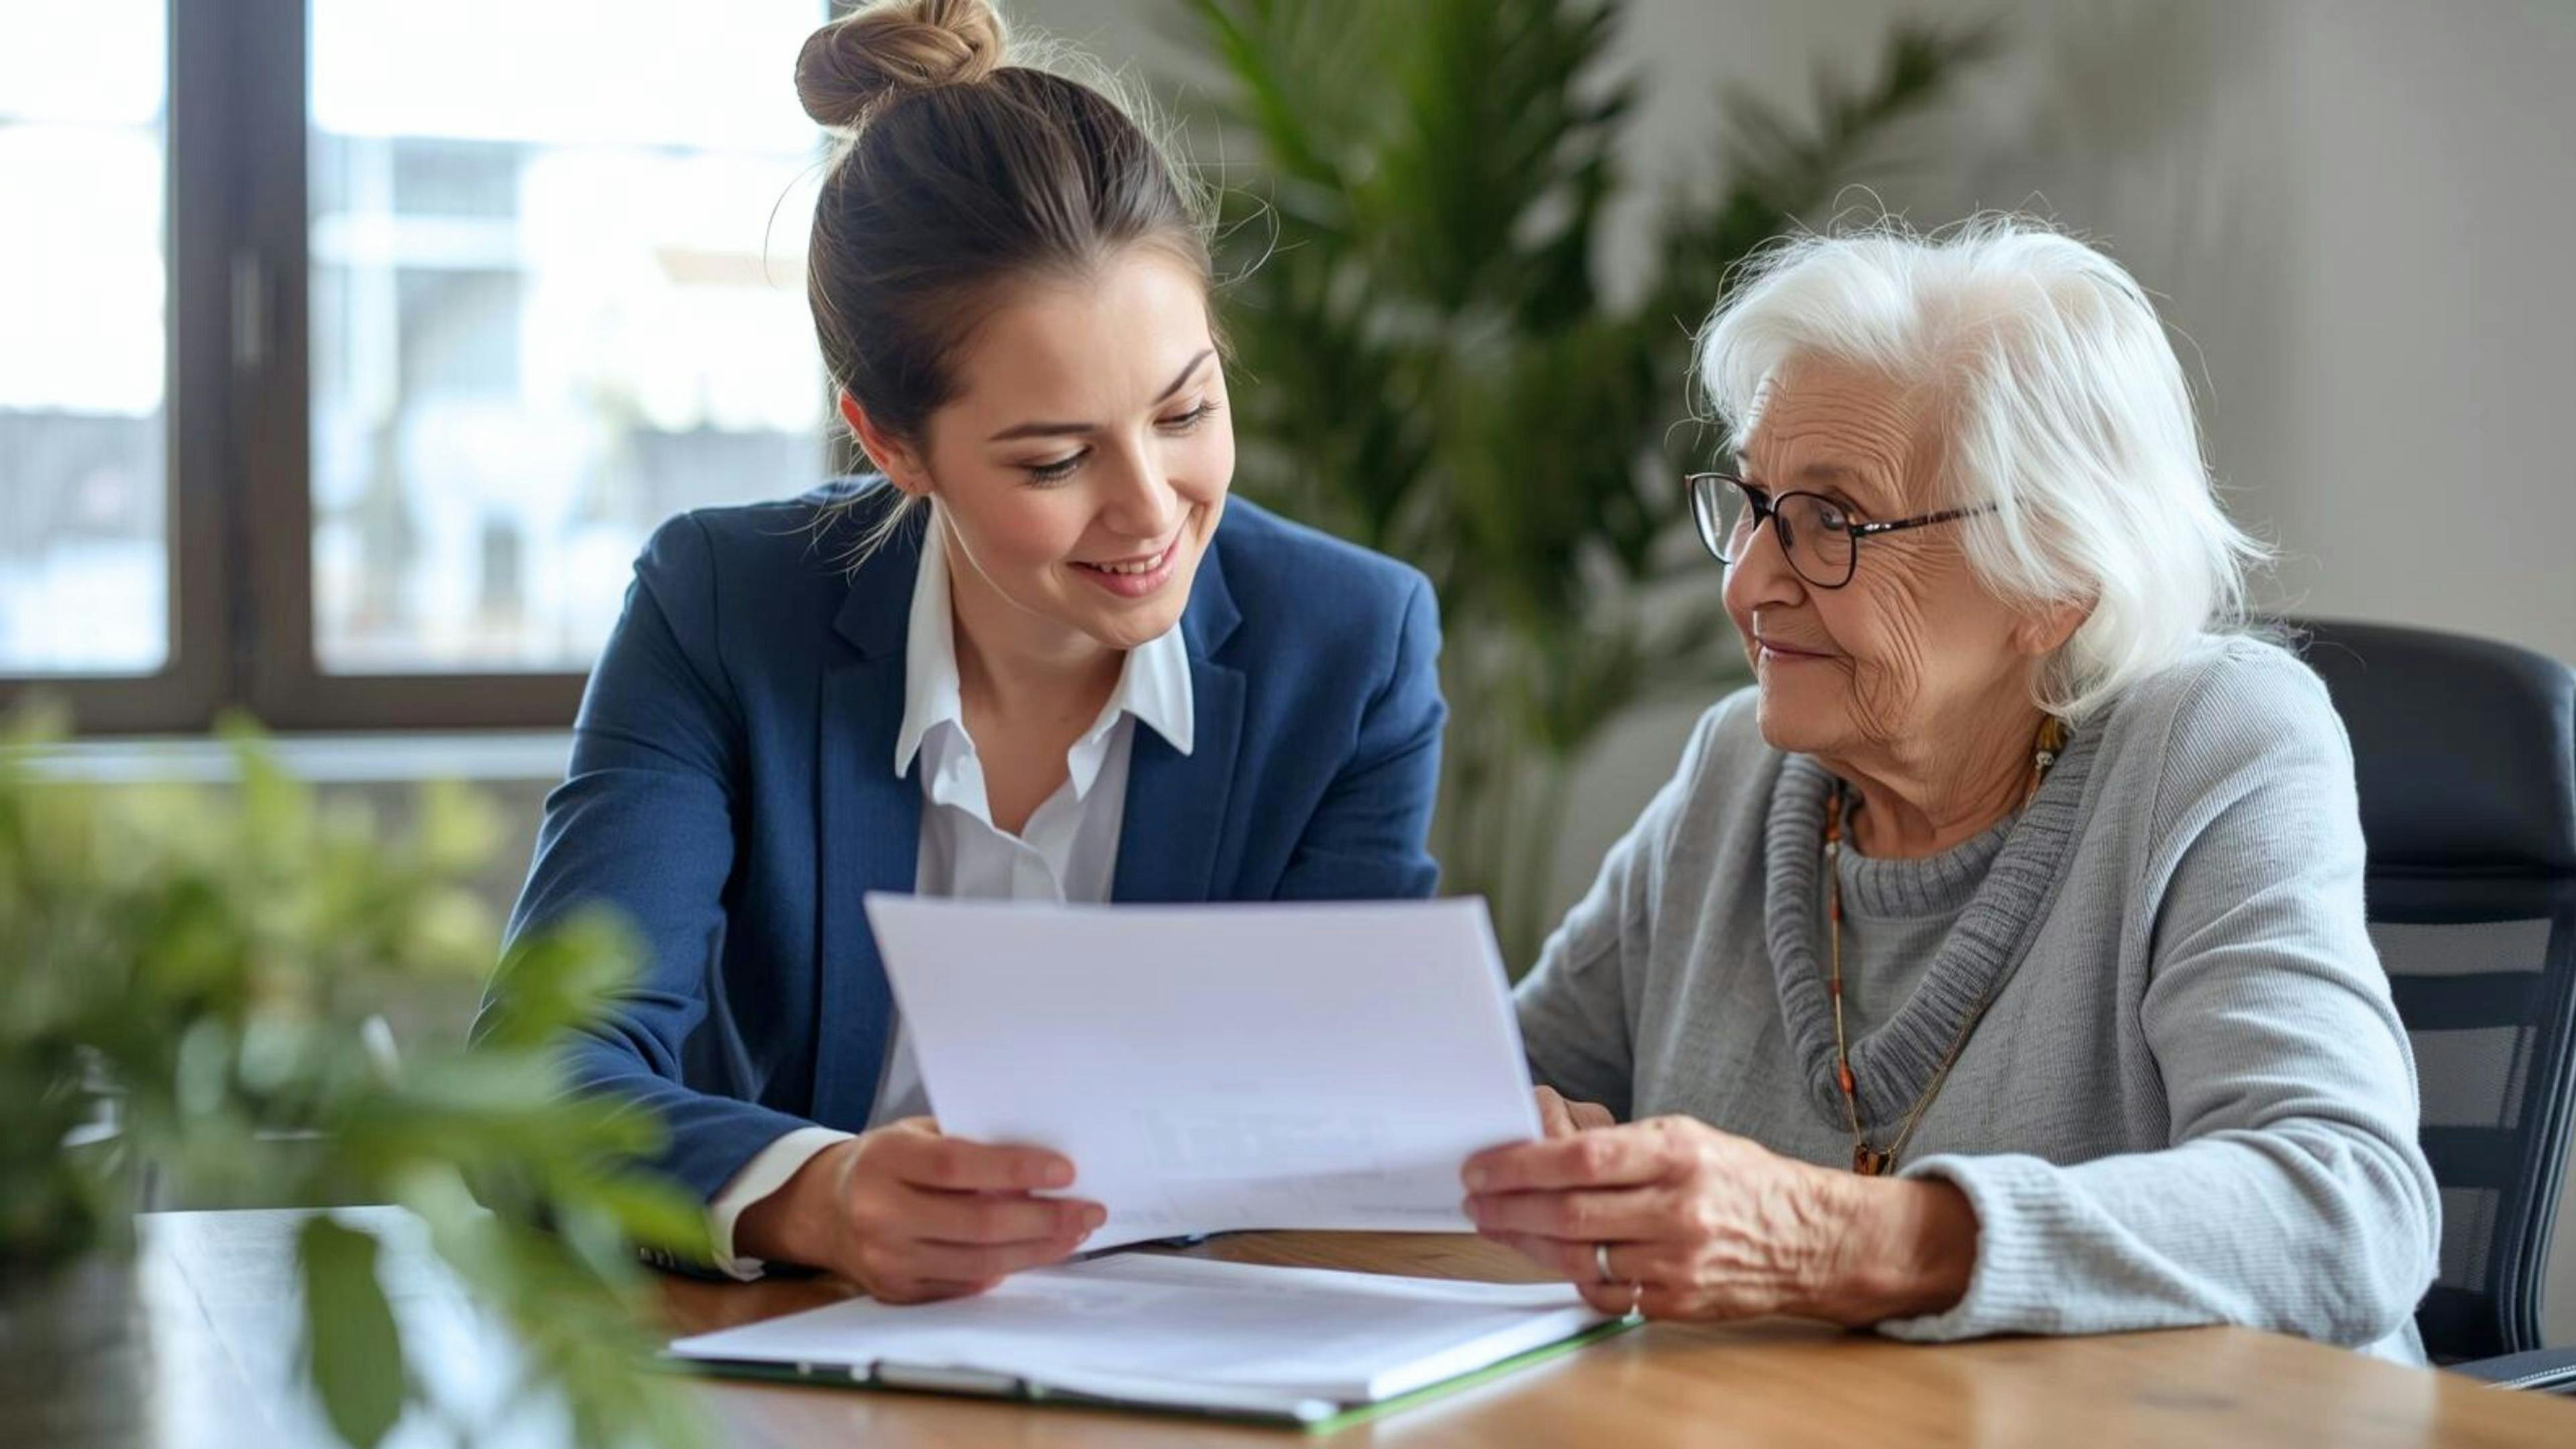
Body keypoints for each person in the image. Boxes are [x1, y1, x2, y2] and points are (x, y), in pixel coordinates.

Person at [482, 0, 1444, 1303]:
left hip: (1191, 1368)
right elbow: (540, 1078)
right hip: (784, 1366)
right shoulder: (720, 608)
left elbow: (1339, 1108)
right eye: (1055, 458)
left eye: (1187, 410)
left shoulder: (1350, 652)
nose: (1154, 509)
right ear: (889, 443)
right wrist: (816, 1195)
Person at [1467, 219, 2440, 1361]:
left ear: (2055, 579)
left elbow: (2348, 1210)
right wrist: (1521, 1138)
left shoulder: (2212, 744)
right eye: (1753, 504)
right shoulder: (1742, 766)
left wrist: (1848, 1241)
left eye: (1831, 521)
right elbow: (1506, 1077)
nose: (1750, 585)